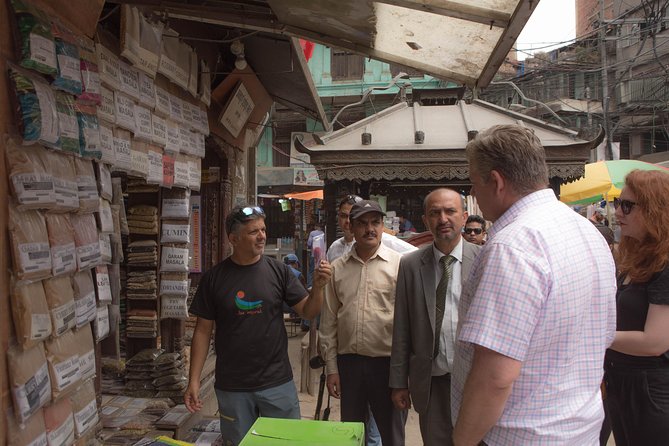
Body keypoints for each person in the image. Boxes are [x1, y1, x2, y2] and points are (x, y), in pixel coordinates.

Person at [451, 125, 617, 445]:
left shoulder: (513, 245)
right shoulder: (586, 231)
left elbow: (495, 378)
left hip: (521, 435)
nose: (472, 193)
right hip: (578, 430)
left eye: (473, 182)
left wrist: (462, 441)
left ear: (496, 182)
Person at [184, 205, 332, 445]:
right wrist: (194, 380)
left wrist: (319, 288)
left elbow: (308, 310)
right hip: (232, 386)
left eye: (263, 229)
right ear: (233, 238)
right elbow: (202, 331)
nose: (262, 236)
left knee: (286, 442)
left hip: (277, 383)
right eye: (254, 232)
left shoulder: (279, 272)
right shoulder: (214, 278)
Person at [390, 188, 481, 446]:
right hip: (433, 381)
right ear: (425, 220)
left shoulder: (484, 259)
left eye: (450, 211)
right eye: (435, 213)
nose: (443, 219)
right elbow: (402, 327)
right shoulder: (411, 265)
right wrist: (399, 382)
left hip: (476, 379)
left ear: (464, 217)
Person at [320, 200, 407, 446]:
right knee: (352, 434)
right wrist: (332, 369)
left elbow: (407, 323)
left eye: (375, 223)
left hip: (388, 366)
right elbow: (329, 323)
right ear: (351, 227)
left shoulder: (400, 265)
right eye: (363, 223)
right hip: (350, 366)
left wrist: (404, 375)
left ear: (382, 226)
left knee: (392, 436)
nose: (370, 229)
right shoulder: (337, 269)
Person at [604, 170, 669, 446]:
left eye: (628, 205)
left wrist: (597, 336)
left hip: (651, 389)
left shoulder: (664, 264)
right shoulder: (633, 258)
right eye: (618, 203)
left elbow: (655, 341)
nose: (619, 211)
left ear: (655, 210)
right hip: (622, 382)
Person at [327, 195, 417, 263]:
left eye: (351, 217)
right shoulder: (334, 247)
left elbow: (416, 255)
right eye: (343, 216)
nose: (347, 221)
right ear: (337, 217)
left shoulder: (381, 240)